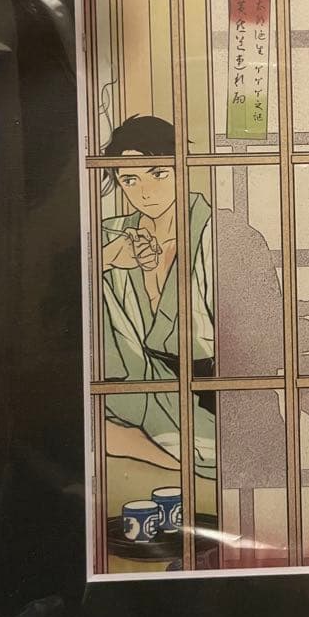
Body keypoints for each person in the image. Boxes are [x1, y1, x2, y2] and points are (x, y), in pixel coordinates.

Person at [100, 115, 215, 478]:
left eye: (158, 173)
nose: (145, 192)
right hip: (132, 381)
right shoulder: (111, 234)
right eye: (130, 180)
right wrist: (107, 258)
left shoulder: (214, 230)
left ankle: (147, 446)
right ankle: (150, 446)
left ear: (182, 166)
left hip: (208, 384)